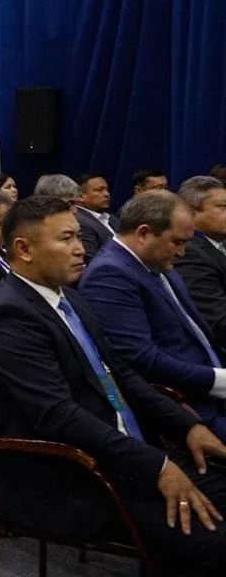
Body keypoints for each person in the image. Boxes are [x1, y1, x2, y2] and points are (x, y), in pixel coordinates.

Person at [0, 195, 226, 577]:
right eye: (67, 239)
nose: (81, 249)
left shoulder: (70, 298)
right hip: (71, 475)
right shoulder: (9, 317)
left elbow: (122, 374)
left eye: (79, 237)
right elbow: (58, 417)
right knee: (212, 545)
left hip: (123, 454)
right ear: (24, 249)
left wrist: (187, 425)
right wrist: (157, 465)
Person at [77, 191, 226, 439]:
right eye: (177, 242)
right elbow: (140, 358)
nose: (183, 252)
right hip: (188, 407)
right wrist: (219, 380)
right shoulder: (109, 275)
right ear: (144, 233)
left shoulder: (156, 261)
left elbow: (198, 334)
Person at [175, 176, 226, 346]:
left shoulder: (219, 243)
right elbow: (218, 322)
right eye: (223, 207)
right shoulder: (188, 253)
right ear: (191, 212)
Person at [75, 172, 117, 261]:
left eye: (107, 189)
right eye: (99, 190)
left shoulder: (112, 218)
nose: (107, 194)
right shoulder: (80, 221)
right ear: (81, 196)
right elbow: (92, 259)